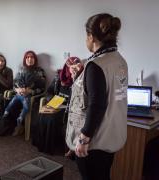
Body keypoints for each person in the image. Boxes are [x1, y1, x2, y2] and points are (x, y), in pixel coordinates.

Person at [65, 13, 128, 180]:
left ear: (91, 37)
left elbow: (96, 104)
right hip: (112, 135)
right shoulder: (119, 60)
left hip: (94, 141)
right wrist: (81, 72)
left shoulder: (95, 66)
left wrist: (84, 138)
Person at [2, 51, 46, 136]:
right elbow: (14, 83)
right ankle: (8, 122)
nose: (29, 59)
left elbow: (42, 88)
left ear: (35, 59)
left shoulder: (39, 71)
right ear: (25, 59)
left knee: (26, 105)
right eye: (27, 57)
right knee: (9, 102)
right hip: (19, 94)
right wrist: (17, 89)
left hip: (30, 97)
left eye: (32, 57)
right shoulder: (21, 69)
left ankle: (19, 123)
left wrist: (31, 91)